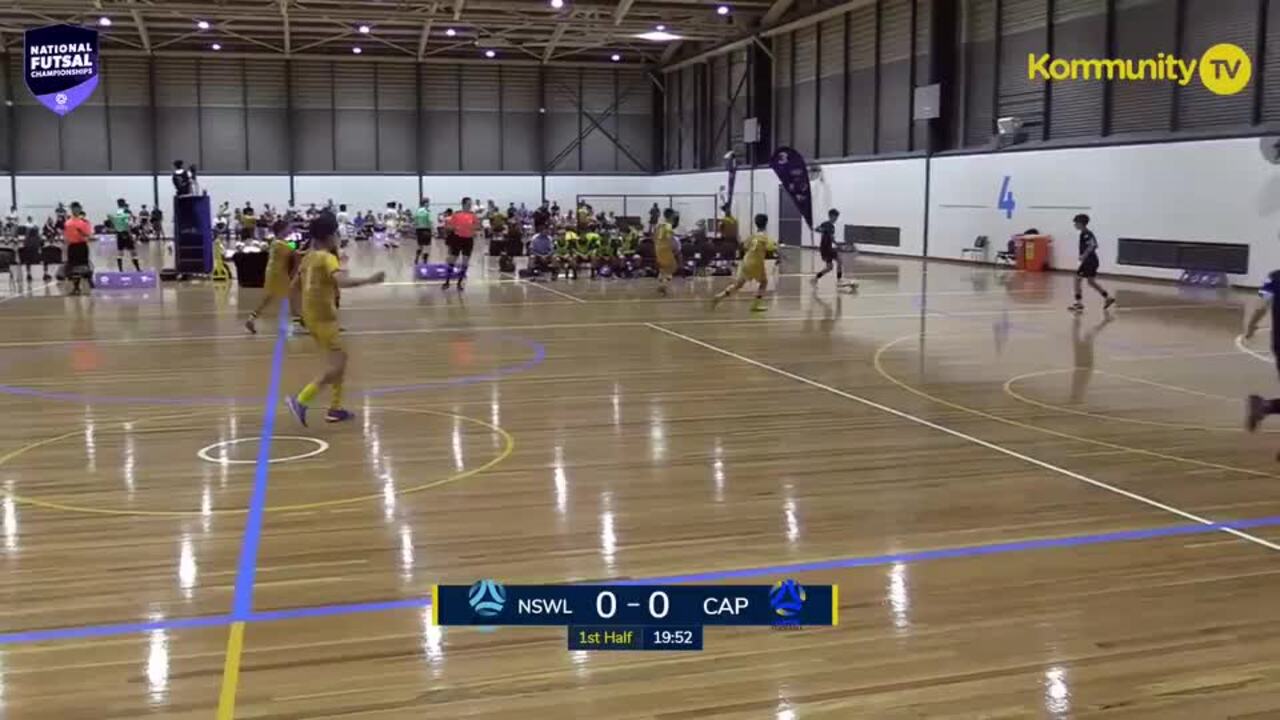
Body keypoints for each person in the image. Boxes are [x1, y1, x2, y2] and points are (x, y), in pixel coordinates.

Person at [284, 212, 385, 426]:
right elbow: (341, 281)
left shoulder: (308, 258)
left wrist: (297, 315)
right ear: (330, 236)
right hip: (324, 318)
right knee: (338, 363)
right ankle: (301, 400)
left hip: (312, 317)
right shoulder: (327, 258)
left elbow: (293, 288)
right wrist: (369, 279)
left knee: (339, 360)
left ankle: (336, 408)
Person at [245, 219, 304, 335]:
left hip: (272, 272)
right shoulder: (280, 244)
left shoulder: (277, 242)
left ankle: (251, 318)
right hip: (278, 274)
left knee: (269, 297)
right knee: (292, 296)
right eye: (288, 228)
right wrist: (305, 249)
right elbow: (296, 253)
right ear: (282, 230)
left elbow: (293, 249)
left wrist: (300, 247)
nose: (290, 230)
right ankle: (298, 323)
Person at [711, 213, 775, 313]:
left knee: (739, 284)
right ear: (766, 223)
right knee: (764, 282)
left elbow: (744, 246)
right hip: (757, 262)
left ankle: (720, 296)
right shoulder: (766, 237)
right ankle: (756, 304)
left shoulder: (752, 236)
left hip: (746, 260)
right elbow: (771, 249)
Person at [1069, 213, 1114, 313]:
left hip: (1089, 261)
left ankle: (1078, 303)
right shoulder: (1084, 233)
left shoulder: (1086, 233)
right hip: (1092, 261)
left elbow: (1093, 245)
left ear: (1081, 223)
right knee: (1090, 282)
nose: (1075, 225)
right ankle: (1108, 297)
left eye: (1076, 223)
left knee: (1077, 280)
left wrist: (1084, 255)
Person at [443, 197, 478, 291]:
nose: (470, 205)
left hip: (468, 240)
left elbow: (477, 226)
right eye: (468, 203)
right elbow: (448, 227)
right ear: (464, 204)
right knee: (452, 261)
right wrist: (453, 228)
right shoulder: (456, 214)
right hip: (457, 239)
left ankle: (459, 283)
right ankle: (447, 282)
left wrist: (474, 230)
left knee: (465, 262)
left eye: (471, 204)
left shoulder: (473, 215)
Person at [813, 208, 853, 289]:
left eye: (837, 217)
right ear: (831, 216)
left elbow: (828, 236)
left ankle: (816, 278)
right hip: (826, 248)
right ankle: (839, 280)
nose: (836, 219)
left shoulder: (829, 226)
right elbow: (817, 229)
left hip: (827, 248)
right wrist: (822, 230)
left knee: (829, 267)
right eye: (835, 217)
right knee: (839, 260)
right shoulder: (827, 224)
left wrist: (837, 244)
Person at [63, 202, 93, 295]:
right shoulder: (67, 222)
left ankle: (89, 280)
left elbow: (88, 234)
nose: (75, 210)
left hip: (81, 246)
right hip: (72, 246)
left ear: (80, 209)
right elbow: (66, 236)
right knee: (73, 267)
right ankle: (76, 287)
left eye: (77, 208)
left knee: (84, 265)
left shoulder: (84, 222)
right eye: (73, 209)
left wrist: (82, 233)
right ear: (71, 210)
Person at [111, 198, 141, 272]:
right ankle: (138, 269)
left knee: (120, 252)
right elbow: (129, 223)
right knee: (133, 252)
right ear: (124, 203)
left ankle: (120, 270)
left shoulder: (117, 212)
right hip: (126, 233)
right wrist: (135, 229)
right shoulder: (126, 211)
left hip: (119, 233)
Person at [654, 208, 679, 295]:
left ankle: (662, 282)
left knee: (663, 268)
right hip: (665, 249)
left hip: (658, 248)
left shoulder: (659, 225)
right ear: (671, 216)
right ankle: (663, 286)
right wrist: (674, 247)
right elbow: (669, 238)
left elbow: (654, 237)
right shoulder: (668, 226)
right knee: (672, 267)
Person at [413, 198, 433, 264]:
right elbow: (430, 221)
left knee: (420, 245)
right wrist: (433, 230)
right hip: (426, 230)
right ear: (425, 203)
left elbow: (415, 221)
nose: (429, 204)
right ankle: (425, 261)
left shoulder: (417, 211)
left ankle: (417, 258)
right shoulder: (427, 211)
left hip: (418, 230)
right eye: (428, 202)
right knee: (427, 246)